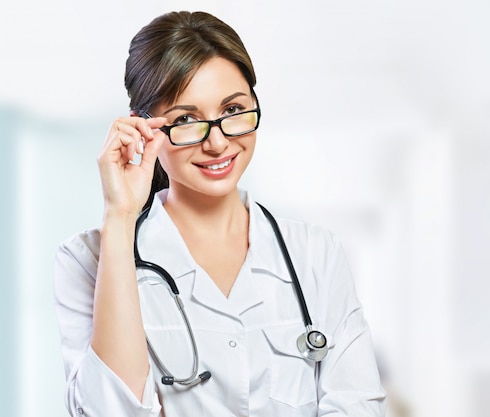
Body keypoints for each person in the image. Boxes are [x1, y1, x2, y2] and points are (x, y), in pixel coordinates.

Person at [54, 10, 386, 417]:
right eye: (187, 119)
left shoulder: (315, 253)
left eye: (233, 110)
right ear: (145, 129)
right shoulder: (86, 260)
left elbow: (358, 407)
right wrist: (120, 217)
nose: (217, 143)